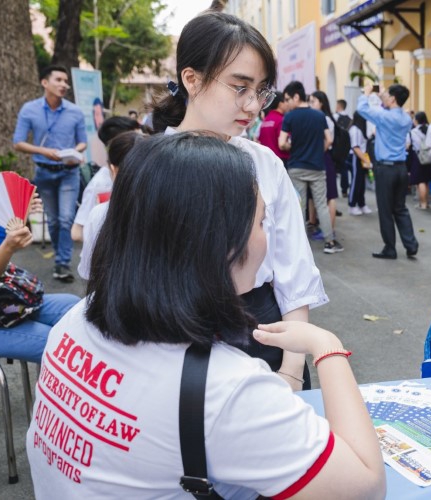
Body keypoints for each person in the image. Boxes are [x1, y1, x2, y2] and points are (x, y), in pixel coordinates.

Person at [25, 132, 386, 499]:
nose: (267, 237)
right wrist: (327, 346)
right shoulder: (227, 389)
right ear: (221, 242)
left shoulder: (77, 321)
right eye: (262, 222)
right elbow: (366, 484)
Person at [152, 12, 328, 390]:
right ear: (191, 78)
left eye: (261, 90)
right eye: (239, 87)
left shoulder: (265, 163)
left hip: (261, 331)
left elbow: (293, 273)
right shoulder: (149, 165)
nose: (253, 105)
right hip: (169, 336)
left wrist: (292, 369)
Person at [12, 64, 87, 283]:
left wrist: (73, 152)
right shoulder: (29, 109)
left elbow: (82, 142)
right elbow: (18, 143)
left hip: (69, 172)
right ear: (45, 83)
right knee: (53, 221)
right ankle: (60, 258)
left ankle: (62, 263)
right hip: (44, 172)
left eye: (66, 81)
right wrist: (43, 151)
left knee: (65, 219)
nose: (65, 84)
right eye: (59, 80)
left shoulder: (75, 111)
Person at [0, 197, 80, 363]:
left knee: (76, 309)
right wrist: (8, 246)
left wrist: (17, 218)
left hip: (4, 304)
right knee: (58, 345)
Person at [279, 82, 343, 254]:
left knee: (299, 206)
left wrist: (292, 147)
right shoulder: (319, 116)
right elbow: (328, 140)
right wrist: (317, 151)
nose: (286, 103)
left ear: (296, 97)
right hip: (317, 167)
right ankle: (329, 242)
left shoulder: (290, 117)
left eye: (287, 99)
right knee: (321, 204)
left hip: (296, 167)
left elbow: (281, 143)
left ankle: (299, 245)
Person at [357, 83, 419, 260]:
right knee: (400, 208)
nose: (384, 95)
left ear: (393, 99)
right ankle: (411, 244)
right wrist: (382, 94)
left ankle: (390, 248)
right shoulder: (406, 119)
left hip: (385, 169)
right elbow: (387, 108)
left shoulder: (384, 117)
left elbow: (362, 109)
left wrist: (367, 94)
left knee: (385, 210)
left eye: (387, 94)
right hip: (401, 167)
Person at [77, 131, 144, 280]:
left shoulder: (100, 213)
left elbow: (88, 272)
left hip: (112, 298)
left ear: (112, 169)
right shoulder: (170, 206)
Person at [71, 116, 142, 243]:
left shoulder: (146, 173)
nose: (142, 141)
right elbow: (76, 232)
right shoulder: (100, 184)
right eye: (135, 137)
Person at [309, 91, 341, 237]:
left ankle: (330, 230)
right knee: (326, 195)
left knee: (329, 196)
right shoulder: (324, 118)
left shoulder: (325, 119)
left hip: (324, 157)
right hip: (324, 157)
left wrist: (318, 152)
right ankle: (327, 229)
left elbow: (329, 140)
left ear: (321, 102)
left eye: (313, 101)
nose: (311, 104)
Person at [347, 111, 373, 215]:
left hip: (361, 157)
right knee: (356, 181)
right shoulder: (355, 130)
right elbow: (355, 148)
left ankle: (361, 204)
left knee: (361, 182)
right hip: (356, 157)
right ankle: (352, 205)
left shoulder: (361, 129)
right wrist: (366, 160)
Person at [257, 91, 290, 165]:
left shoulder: (265, 120)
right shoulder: (281, 120)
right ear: (280, 104)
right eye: (286, 101)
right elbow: (283, 144)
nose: (288, 104)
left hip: (266, 161)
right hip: (280, 161)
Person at [408, 111, 431, 210]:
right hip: (429, 157)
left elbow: (408, 145)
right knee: (426, 181)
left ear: (416, 120)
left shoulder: (413, 132)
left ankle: (423, 203)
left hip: (418, 157)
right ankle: (426, 201)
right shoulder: (430, 129)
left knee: (420, 181)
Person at [335, 99, 352, 197]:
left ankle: (333, 192)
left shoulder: (335, 117)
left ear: (339, 106)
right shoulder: (350, 118)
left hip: (337, 147)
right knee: (344, 169)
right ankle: (344, 190)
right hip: (346, 147)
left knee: (334, 169)